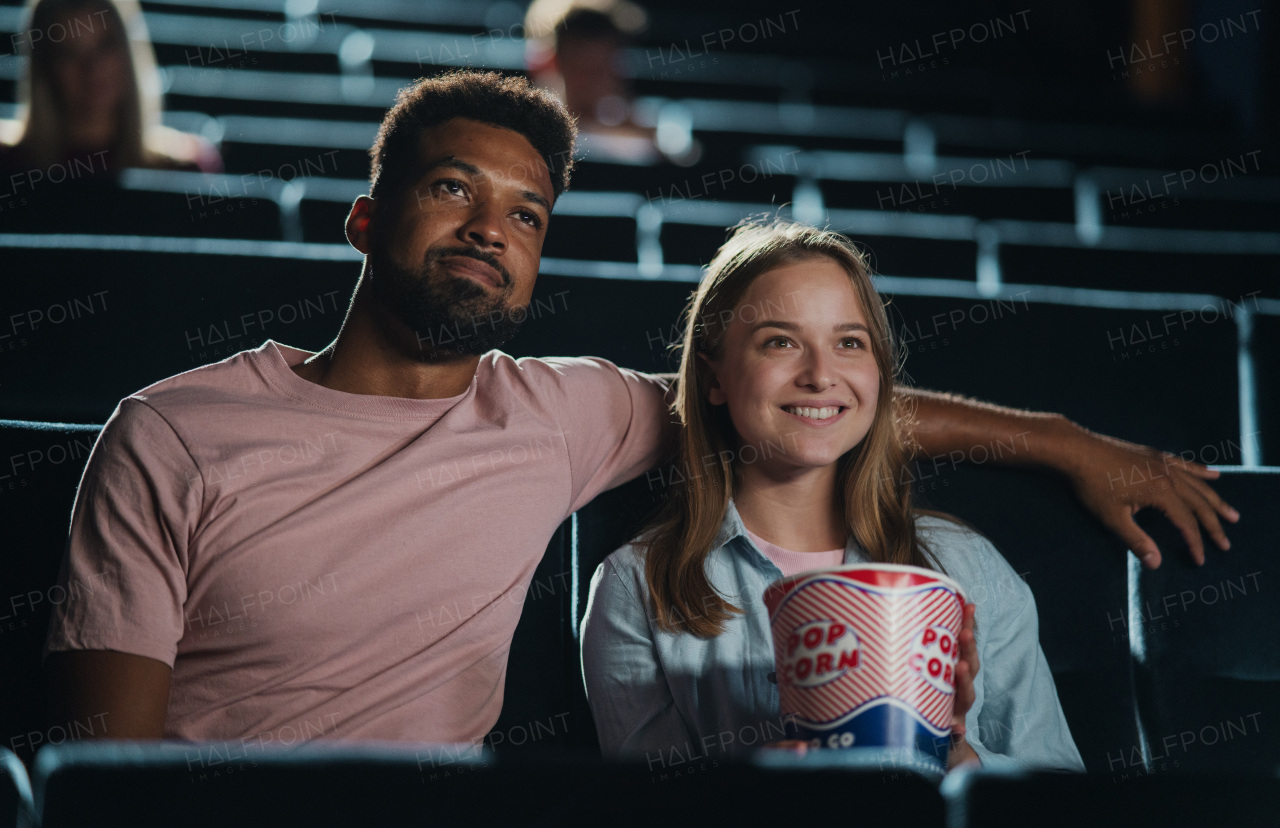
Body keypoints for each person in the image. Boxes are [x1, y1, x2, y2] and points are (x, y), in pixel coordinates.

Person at [45, 70, 1233, 746]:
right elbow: (110, 770)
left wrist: (1066, 443)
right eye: (452, 190)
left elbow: (797, 400)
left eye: (524, 215)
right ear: (364, 220)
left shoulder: (558, 415)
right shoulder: (171, 432)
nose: (487, 231)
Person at [580, 220, 1084, 771]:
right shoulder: (637, 585)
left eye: (849, 342)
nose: (821, 375)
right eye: (780, 342)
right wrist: (757, 787)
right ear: (713, 378)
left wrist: (959, 757)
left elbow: (1057, 789)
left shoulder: (968, 565)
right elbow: (645, 813)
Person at [0, 0, 220, 177]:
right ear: (45, 66)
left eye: (105, 46)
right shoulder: (8, 164)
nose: (92, 68)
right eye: (69, 52)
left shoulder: (182, 170)